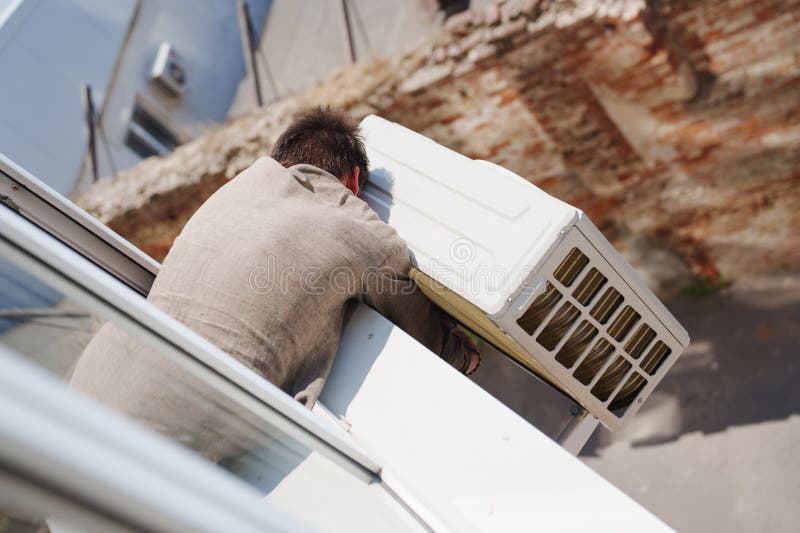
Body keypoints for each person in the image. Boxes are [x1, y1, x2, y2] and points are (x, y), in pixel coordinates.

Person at [71, 108, 479, 443]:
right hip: (167, 432)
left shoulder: (232, 193)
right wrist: (462, 356)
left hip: (86, 390)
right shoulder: (354, 225)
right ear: (354, 180)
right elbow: (413, 315)